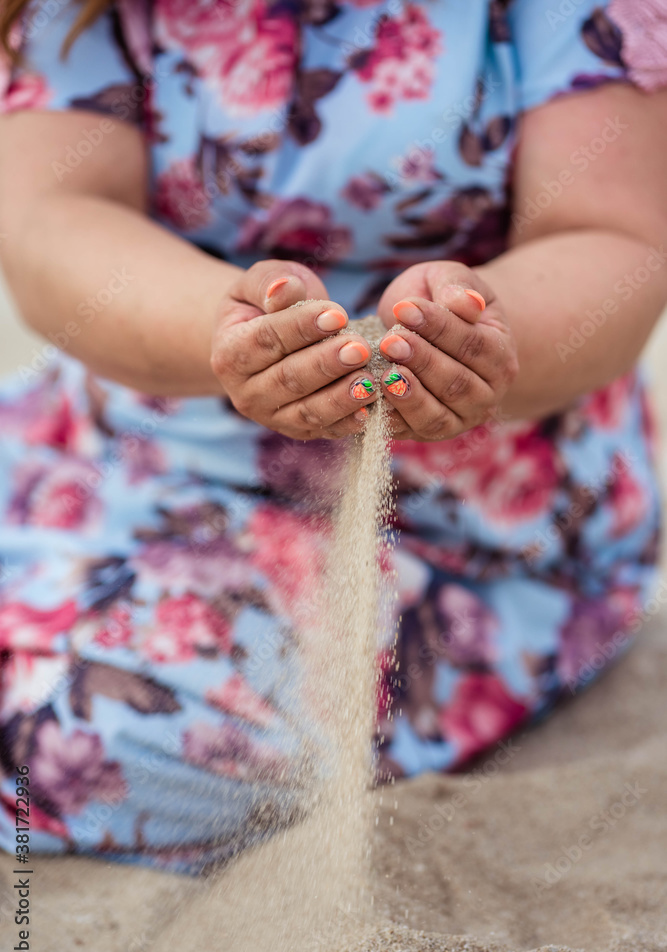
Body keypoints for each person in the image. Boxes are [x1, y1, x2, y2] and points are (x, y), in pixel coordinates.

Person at [0, 0, 665, 873]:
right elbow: (54, 220)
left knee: (80, 740)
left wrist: (480, 337)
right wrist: (226, 331)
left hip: (455, 516)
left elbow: (613, 239)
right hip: (114, 447)